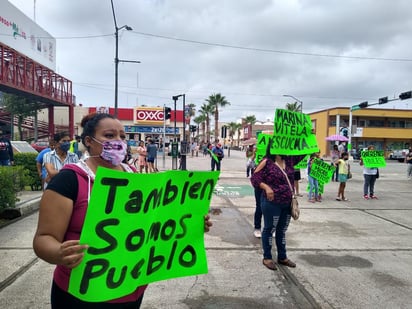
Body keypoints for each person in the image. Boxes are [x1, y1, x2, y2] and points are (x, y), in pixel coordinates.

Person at [32, 113, 213, 308]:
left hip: (130, 289)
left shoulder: (135, 176)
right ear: (88, 141)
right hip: (80, 294)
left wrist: (189, 223)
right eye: (109, 136)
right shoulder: (69, 180)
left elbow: (156, 223)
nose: (118, 141)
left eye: (122, 137)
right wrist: (59, 253)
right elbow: (44, 238)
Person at [251, 152, 305, 270]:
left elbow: (305, 151)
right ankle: (267, 257)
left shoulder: (290, 160)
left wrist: (308, 136)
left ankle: (282, 257)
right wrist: (266, 187)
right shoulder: (266, 162)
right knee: (269, 229)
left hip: (287, 203)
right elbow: (255, 178)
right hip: (271, 203)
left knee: (282, 230)